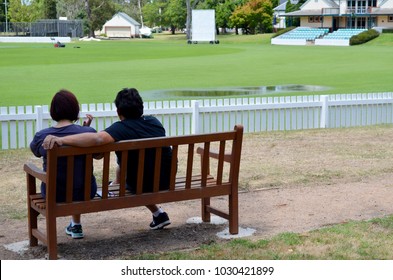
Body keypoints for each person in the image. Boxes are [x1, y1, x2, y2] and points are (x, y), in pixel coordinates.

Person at [42, 88, 172, 230]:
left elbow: (97, 139)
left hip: (140, 184)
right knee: (131, 168)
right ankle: (158, 214)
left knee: (132, 174)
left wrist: (62, 140)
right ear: (141, 107)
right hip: (166, 180)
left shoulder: (120, 128)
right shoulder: (154, 122)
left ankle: (111, 189)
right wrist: (85, 130)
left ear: (118, 112)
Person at [30, 89, 97, 239]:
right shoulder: (90, 133)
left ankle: (75, 226)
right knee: (76, 176)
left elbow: (36, 151)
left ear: (53, 111)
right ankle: (76, 225)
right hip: (86, 192)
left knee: (67, 177)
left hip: (55, 194)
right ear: (75, 110)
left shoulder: (42, 136)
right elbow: (98, 154)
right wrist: (85, 129)